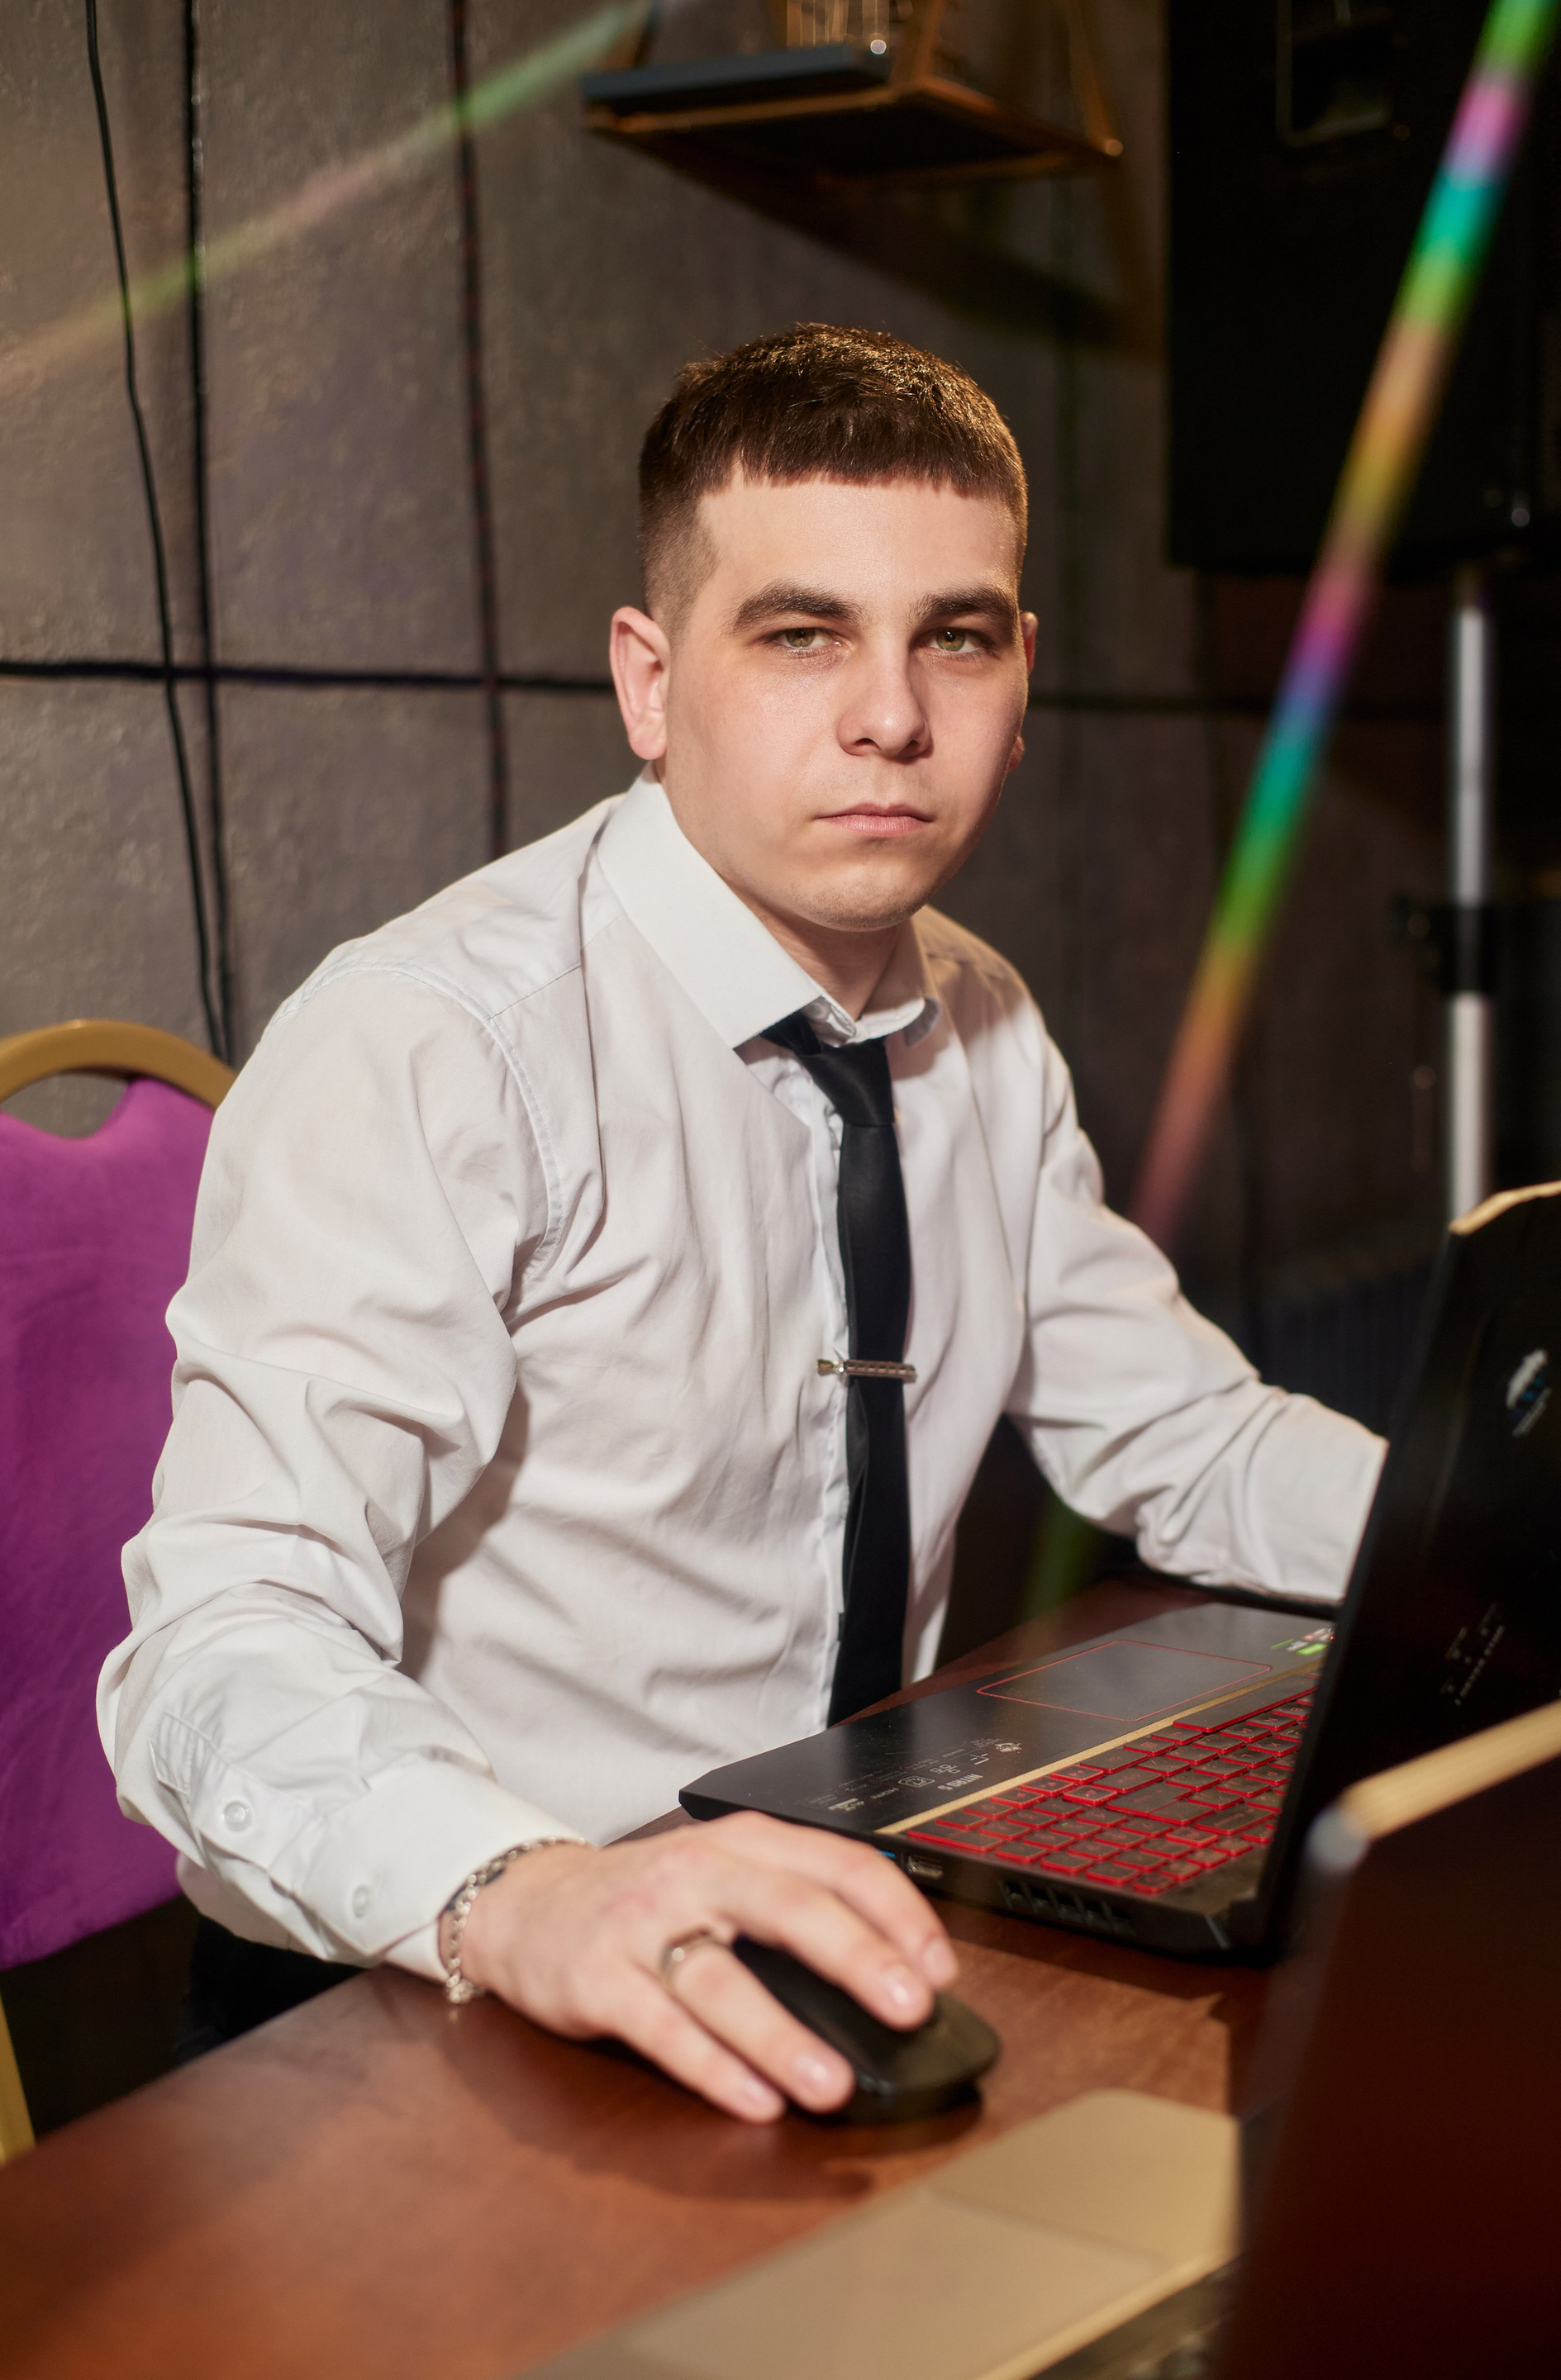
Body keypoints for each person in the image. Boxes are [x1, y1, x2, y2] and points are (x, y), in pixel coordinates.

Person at [101, 324, 1384, 2121]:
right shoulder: (438, 1040)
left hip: (852, 1926)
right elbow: (218, 1639)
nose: (892, 716)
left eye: (957, 636)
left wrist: (1489, 1546)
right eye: (801, 634)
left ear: (1023, 677)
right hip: (446, 1982)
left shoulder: (984, 1017)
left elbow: (1192, 1441)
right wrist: (527, 1893)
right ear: (649, 681)